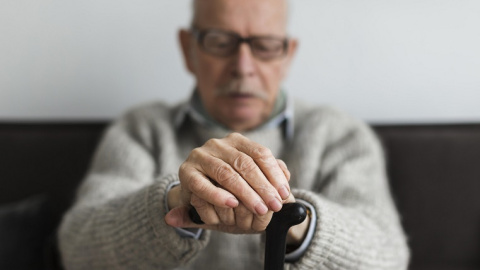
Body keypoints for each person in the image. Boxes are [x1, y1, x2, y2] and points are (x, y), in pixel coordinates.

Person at [58, 0, 410, 269]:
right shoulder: (141, 130)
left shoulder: (340, 135)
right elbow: (77, 249)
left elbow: (389, 257)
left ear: (287, 55)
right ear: (188, 49)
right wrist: (180, 200)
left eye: (265, 45)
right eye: (220, 41)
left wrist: (287, 215)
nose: (243, 66)